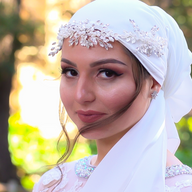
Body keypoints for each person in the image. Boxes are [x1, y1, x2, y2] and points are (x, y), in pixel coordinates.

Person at [33, 0, 192, 191]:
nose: (81, 95)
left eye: (107, 73)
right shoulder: (53, 184)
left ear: (155, 81)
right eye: (71, 72)